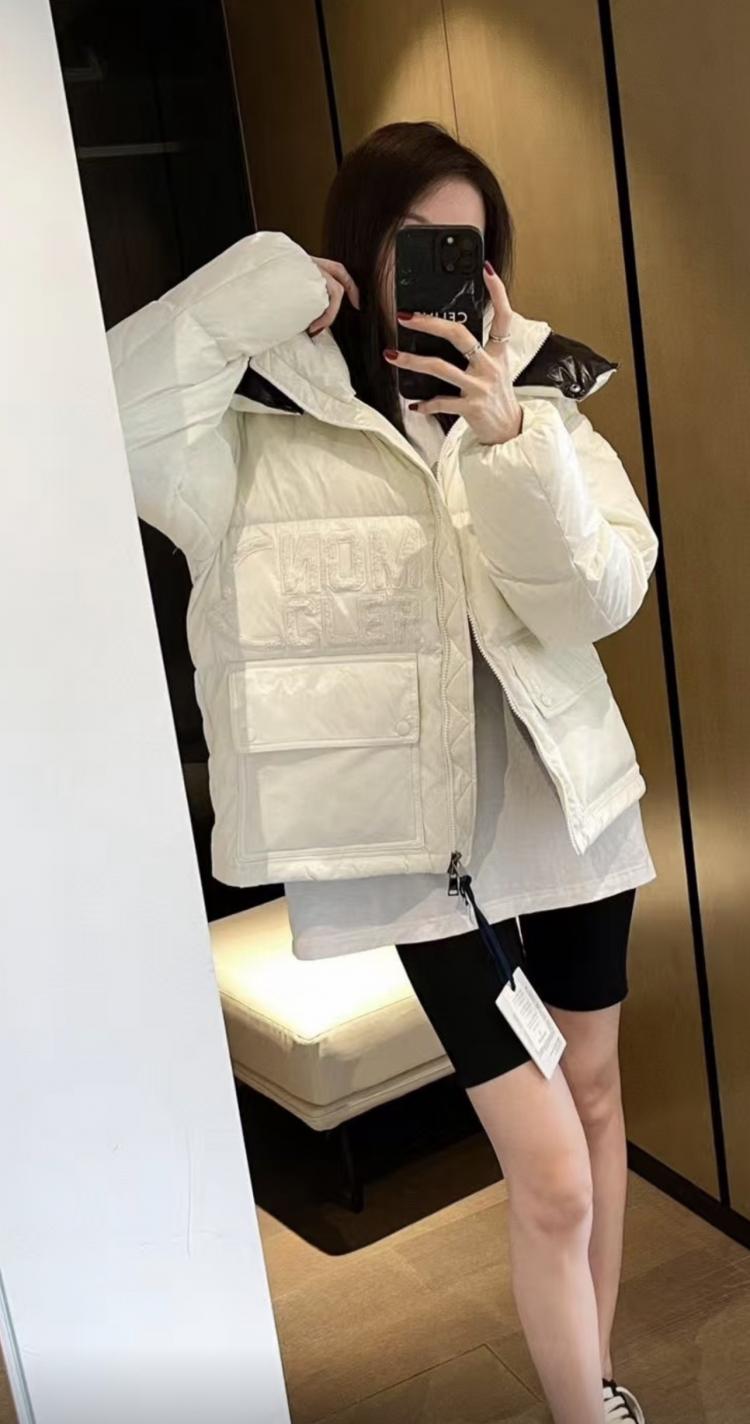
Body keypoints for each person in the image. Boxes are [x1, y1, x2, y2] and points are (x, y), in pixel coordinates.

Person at [107, 120, 658, 1424]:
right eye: (415, 245)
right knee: (551, 1175)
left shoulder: (539, 397)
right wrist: (260, 289)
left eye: (468, 248)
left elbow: (597, 598)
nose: (441, 276)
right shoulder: (250, 426)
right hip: (418, 854)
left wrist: (510, 436)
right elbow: (107, 424)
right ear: (356, 252)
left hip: (565, 804)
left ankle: (597, 1383)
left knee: (592, 1098)